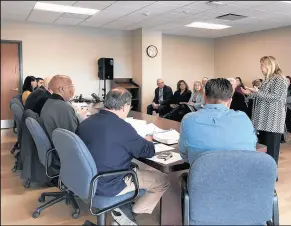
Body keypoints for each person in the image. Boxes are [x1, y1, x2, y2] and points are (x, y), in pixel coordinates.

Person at [76, 88, 170, 225]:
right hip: (108, 183)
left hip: (85, 180)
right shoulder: (122, 127)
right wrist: (148, 140)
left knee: (133, 165)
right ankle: (129, 214)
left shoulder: (86, 122)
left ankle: (123, 210)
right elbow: (147, 151)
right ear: (125, 106)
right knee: (162, 180)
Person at [179, 78, 257, 165]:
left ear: (204, 97)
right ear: (230, 100)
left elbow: (185, 156)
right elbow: (252, 146)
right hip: (241, 174)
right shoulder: (243, 118)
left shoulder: (188, 119)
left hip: (203, 175)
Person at [242, 56, 287, 168]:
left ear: (269, 65)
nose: (260, 67)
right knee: (264, 150)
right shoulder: (269, 79)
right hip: (264, 121)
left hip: (272, 122)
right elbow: (263, 96)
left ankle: (271, 175)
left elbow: (276, 97)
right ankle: (264, 173)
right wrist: (250, 94)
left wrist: (257, 92)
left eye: (262, 65)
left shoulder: (279, 79)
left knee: (271, 151)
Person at [40, 75, 86, 140]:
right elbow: (74, 136)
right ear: (61, 89)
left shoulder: (49, 102)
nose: (73, 89)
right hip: (63, 146)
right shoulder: (63, 107)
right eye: (71, 86)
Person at [281, 76, 291, 143]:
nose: (286, 82)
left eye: (288, 80)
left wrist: (283, 100)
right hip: (281, 106)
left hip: (289, 107)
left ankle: (282, 137)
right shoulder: (281, 88)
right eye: (285, 80)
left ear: (290, 82)